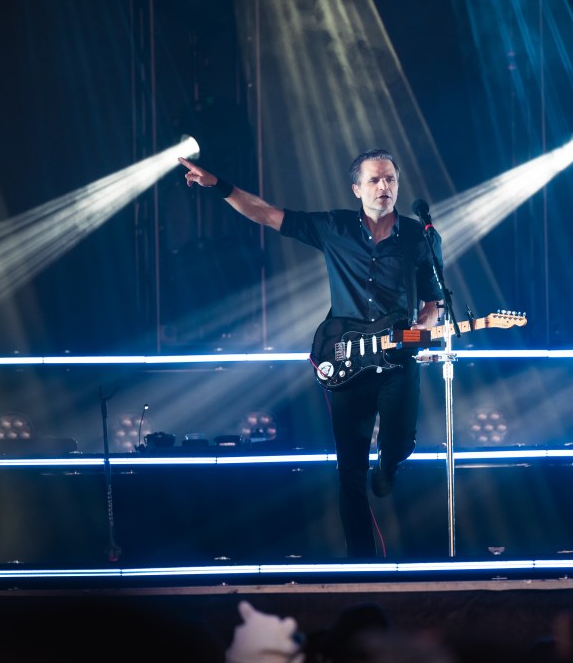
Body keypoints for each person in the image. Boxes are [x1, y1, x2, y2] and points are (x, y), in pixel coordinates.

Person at [178, 150, 442, 558]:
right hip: (345, 357)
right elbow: (266, 213)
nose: (384, 187)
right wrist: (218, 185)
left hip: (396, 356)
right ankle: (361, 566)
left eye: (390, 179)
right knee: (349, 468)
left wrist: (421, 330)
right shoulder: (335, 227)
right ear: (356, 189)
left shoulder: (419, 236)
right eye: (374, 180)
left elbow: (433, 303)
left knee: (400, 442)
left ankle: (389, 465)